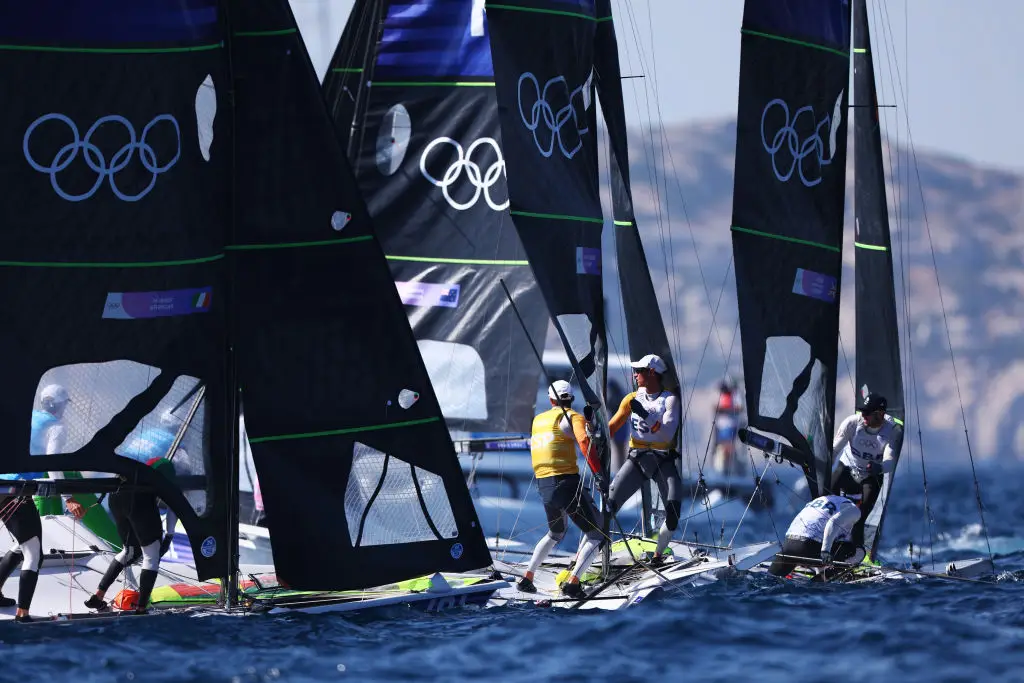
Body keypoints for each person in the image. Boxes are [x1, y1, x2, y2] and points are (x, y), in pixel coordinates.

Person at [84, 412, 184, 614]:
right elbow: (174, 506)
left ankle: (98, 596)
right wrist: (169, 535)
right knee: (151, 556)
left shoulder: (150, 460)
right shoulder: (172, 471)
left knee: (128, 551)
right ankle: (140, 608)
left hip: (117, 497)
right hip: (138, 500)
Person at [517, 380, 604, 600]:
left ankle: (527, 577)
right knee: (598, 534)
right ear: (571, 398)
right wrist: (598, 472)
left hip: (544, 484)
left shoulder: (538, 420)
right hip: (565, 482)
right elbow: (583, 441)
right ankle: (573, 584)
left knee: (555, 533)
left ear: (550, 399)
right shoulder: (572, 417)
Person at [0, 383, 73, 622]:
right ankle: (23, 615)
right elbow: (52, 461)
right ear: (59, 406)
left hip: (2, 487)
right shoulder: (56, 427)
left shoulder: (27, 417)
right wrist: (68, 497)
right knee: (34, 555)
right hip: (18, 492)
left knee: (21, 545)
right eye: (64, 405)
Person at [606, 354, 682, 565]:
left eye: (639, 371)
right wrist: (593, 431)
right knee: (608, 508)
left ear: (652, 373)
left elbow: (666, 435)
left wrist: (646, 415)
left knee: (673, 514)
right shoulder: (631, 399)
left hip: (662, 461)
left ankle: (657, 556)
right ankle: (585, 555)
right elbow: (611, 428)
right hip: (636, 461)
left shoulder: (670, 400)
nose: (635, 374)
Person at [830, 393, 900, 548]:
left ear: (880, 414)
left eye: (867, 413)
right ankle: (826, 546)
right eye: (863, 412)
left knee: (859, 518)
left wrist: (879, 467)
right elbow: (834, 451)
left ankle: (855, 554)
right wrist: (823, 468)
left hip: (870, 476)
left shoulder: (892, 430)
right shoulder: (851, 423)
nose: (863, 415)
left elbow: (890, 461)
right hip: (847, 468)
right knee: (829, 504)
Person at [768, 493, 864, 580]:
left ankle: (817, 571)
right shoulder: (853, 508)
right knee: (857, 551)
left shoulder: (820, 500)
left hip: (788, 545)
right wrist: (825, 551)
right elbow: (833, 522)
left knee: (771, 579)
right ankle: (820, 580)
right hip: (809, 547)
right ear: (859, 502)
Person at [711, 377, 743, 476]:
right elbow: (714, 407)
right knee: (719, 448)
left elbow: (739, 408)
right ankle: (721, 471)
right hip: (720, 426)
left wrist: (725, 409)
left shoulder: (735, 394)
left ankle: (732, 470)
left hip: (730, 424)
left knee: (729, 447)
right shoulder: (720, 395)